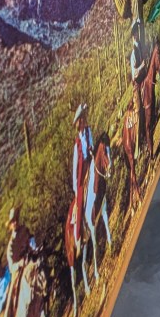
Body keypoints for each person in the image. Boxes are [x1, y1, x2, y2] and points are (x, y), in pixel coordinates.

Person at [72, 104, 93, 244]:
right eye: (82, 120)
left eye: (84, 118)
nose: (84, 121)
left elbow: (92, 144)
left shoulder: (88, 132)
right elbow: (75, 167)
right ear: (78, 123)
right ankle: (79, 233)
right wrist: (75, 185)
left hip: (90, 163)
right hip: (81, 172)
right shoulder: (77, 144)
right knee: (80, 200)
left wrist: (92, 150)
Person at [130, 19, 147, 158]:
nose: (137, 35)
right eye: (135, 32)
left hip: (143, 78)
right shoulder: (132, 54)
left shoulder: (140, 46)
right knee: (139, 110)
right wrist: (142, 65)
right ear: (133, 35)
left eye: (137, 32)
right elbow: (135, 72)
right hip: (136, 83)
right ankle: (137, 147)